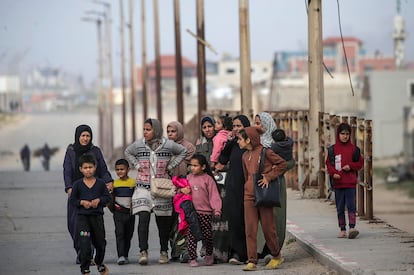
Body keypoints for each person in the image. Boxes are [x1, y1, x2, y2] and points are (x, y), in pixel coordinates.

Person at [124, 118, 187, 265]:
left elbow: (183, 151)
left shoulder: (167, 145)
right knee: (143, 218)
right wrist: (136, 164)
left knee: (163, 222)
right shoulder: (139, 145)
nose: (145, 132)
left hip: (161, 188)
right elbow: (128, 152)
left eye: (148, 129)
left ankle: (164, 251)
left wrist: (171, 165)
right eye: (144, 129)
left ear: (156, 130)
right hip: (143, 187)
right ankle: (143, 251)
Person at [237, 127, 287, 271]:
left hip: (263, 194)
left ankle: (276, 256)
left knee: (268, 228)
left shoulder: (266, 152)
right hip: (249, 196)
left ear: (248, 139)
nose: (238, 141)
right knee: (250, 229)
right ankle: (252, 260)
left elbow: (282, 164)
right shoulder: (244, 156)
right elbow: (247, 176)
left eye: (240, 139)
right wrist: (248, 188)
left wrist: (269, 176)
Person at [63, 124, 114, 263]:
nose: (85, 138)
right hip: (76, 192)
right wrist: (69, 188)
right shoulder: (71, 151)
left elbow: (102, 168)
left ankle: (87, 254)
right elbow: (67, 171)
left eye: (88, 136)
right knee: (74, 225)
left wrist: (108, 181)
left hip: (93, 191)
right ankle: (81, 250)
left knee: (91, 224)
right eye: (83, 136)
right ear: (78, 136)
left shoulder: (95, 151)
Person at [215, 114, 251, 265]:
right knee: (234, 219)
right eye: (234, 126)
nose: (236, 129)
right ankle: (236, 253)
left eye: (239, 126)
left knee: (247, 221)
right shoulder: (234, 144)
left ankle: (249, 253)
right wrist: (229, 142)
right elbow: (222, 160)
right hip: (233, 186)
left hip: (248, 187)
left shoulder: (250, 144)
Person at [69, 153, 111, 275]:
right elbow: (72, 200)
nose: (88, 170)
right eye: (85, 167)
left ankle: (99, 262)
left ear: (95, 167)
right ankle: (85, 268)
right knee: (84, 242)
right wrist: (81, 202)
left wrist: (99, 201)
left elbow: (107, 198)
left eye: (90, 167)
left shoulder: (100, 184)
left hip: (97, 218)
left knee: (100, 242)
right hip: (83, 219)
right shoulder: (77, 184)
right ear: (80, 169)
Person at [195, 115, 228, 263]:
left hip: (221, 185)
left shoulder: (222, 140)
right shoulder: (199, 143)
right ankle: (208, 251)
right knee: (206, 219)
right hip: (204, 188)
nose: (208, 130)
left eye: (210, 126)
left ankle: (220, 252)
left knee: (220, 218)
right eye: (205, 127)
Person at [180, 153, 222, 267]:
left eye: (195, 165)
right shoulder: (188, 178)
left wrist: (217, 210)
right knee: (191, 236)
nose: (192, 168)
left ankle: (209, 254)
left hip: (205, 213)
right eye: (191, 165)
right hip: (192, 213)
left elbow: (214, 196)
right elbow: (180, 191)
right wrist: (182, 190)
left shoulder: (208, 179)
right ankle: (192, 258)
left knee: (207, 235)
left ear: (203, 167)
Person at [326, 122, 364, 239]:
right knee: (340, 207)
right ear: (338, 134)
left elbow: (360, 163)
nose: (345, 136)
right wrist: (334, 174)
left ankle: (352, 228)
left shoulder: (354, 150)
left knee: (351, 206)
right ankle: (342, 229)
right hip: (338, 184)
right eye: (342, 133)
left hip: (350, 183)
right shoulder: (333, 149)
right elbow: (328, 164)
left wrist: (351, 166)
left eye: (347, 134)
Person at [166, 121, 196, 263]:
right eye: (169, 132)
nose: (171, 134)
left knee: (183, 222)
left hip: (184, 189)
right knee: (170, 223)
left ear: (180, 132)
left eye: (173, 131)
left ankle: (185, 251)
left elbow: (192, 168)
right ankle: (174, 251)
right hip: (168, 189)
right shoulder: (164, 148)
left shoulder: (189, 147)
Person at [112, 158, 135, 265]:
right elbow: (111, 198)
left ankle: (125, 254)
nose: (119, 171)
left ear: (128, 169)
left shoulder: (133, 183)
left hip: (130, 213)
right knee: (119, 233)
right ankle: (120, 255)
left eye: (122, 169)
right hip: (118, 213)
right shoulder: (114, 184)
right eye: (117, 170)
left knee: (128, 234)